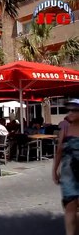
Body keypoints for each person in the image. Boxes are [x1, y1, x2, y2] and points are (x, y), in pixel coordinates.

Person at [52, 99, 79, 235]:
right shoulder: (65, 129)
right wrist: (54, 171)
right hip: (68, 174)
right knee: (70, 208)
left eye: (75, 110)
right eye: (70, 110)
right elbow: (59, 151)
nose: (71, 113)